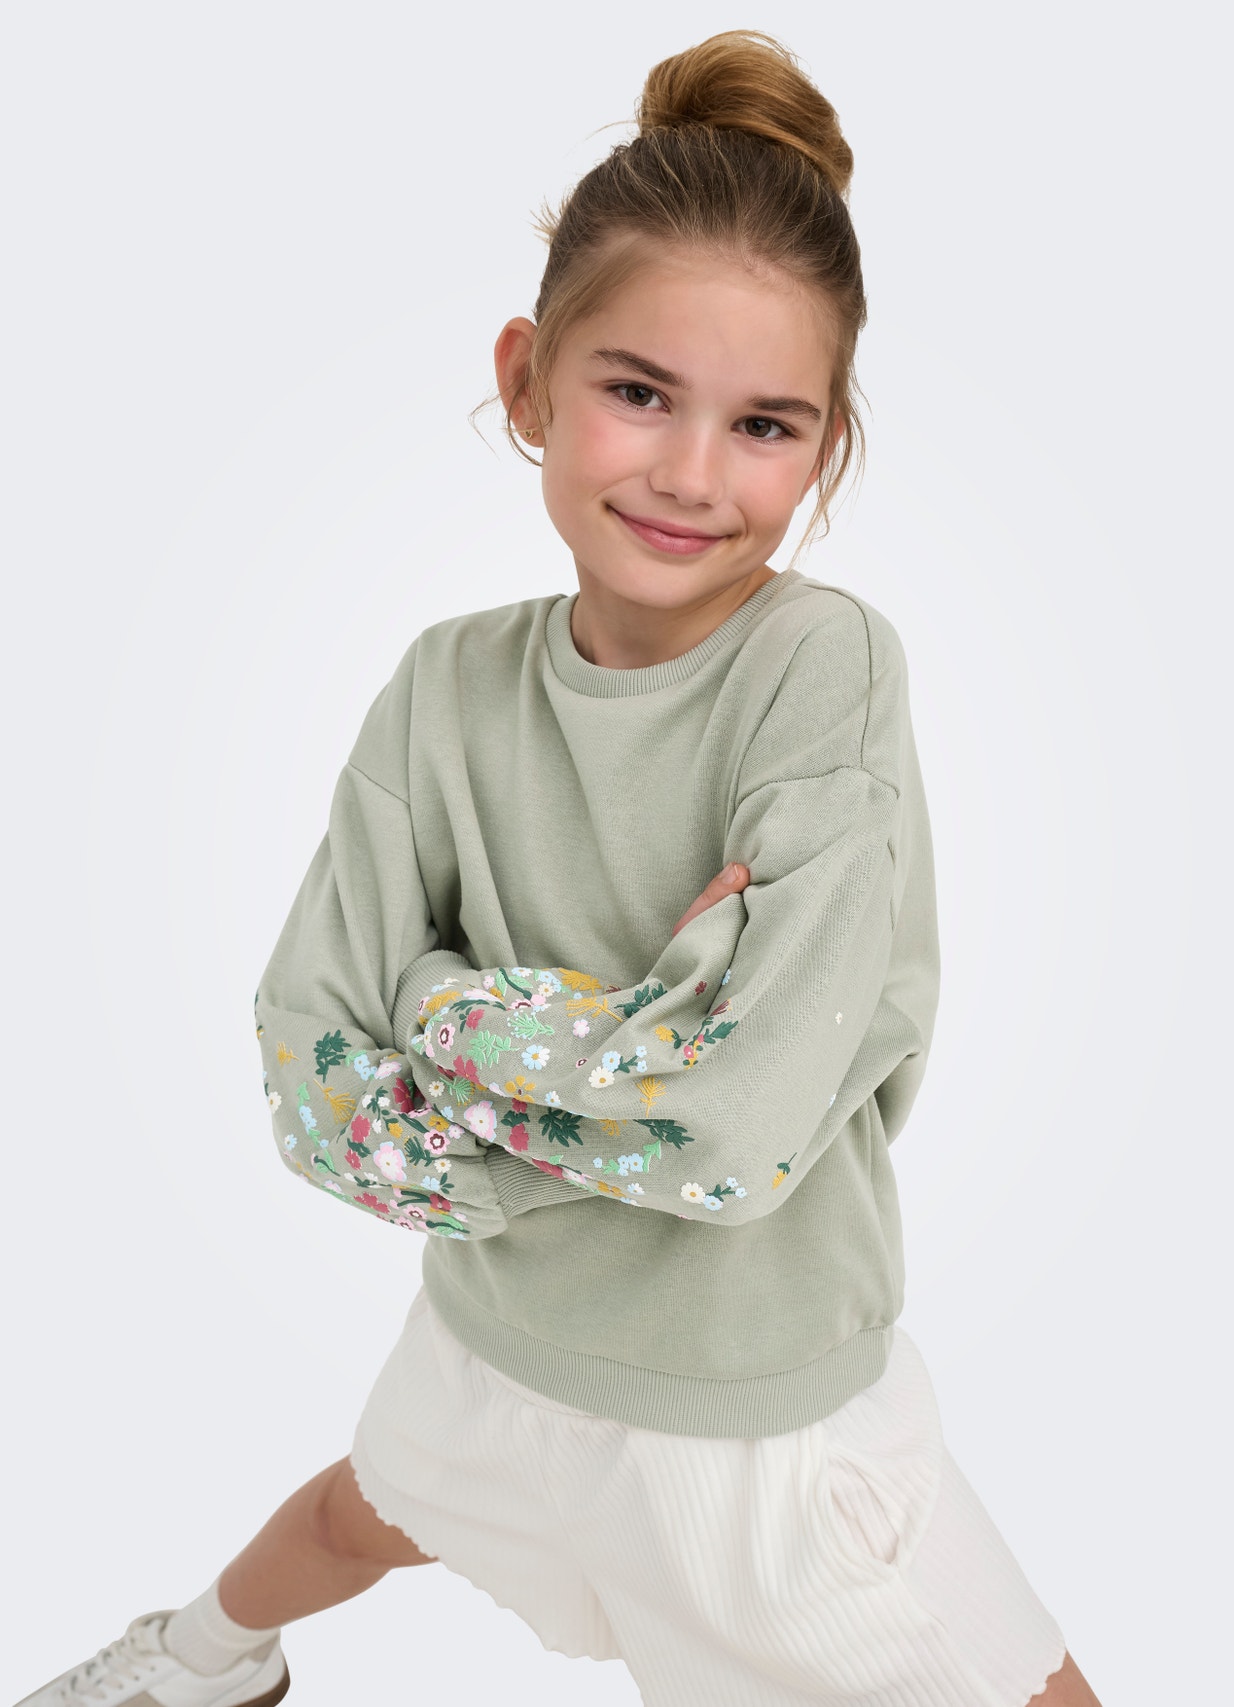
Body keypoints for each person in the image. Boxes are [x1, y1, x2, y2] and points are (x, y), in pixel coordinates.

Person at [15, 29, 1105, 1707]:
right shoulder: (445, 684)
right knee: (364, 1513)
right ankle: (200, 1660)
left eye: (764, 424)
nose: (689, 473)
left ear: (825, 446)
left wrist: (445, 1012)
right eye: (636, 392)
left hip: (755, 1432)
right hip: (491, 1347)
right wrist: (632, 1021)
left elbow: (737, 1135)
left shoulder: (821, 670)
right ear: (528, 379)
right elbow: (313, 1079)